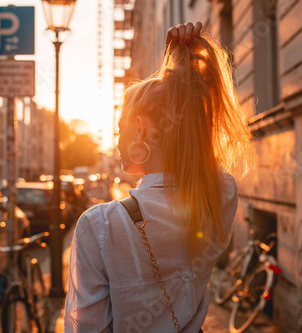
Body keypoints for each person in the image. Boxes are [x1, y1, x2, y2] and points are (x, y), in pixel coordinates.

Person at [64, 22, 254, 332]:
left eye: (119, 128)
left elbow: (87, 327)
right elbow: (190, 109)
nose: (116, 141)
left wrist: (176, 60)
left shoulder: (99, 227)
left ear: (141, 129)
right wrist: (180, 59)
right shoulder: (219, 196)